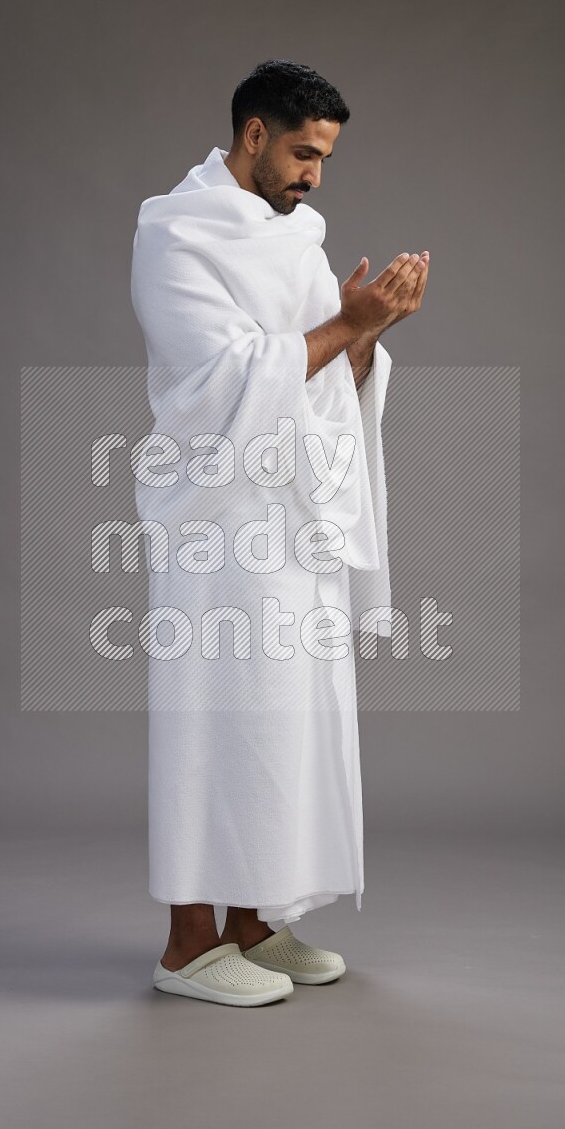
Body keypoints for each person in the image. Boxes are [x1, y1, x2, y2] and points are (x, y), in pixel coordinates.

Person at [130, 59, 429, 1006]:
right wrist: (347, 324)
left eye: (326, 158)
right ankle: (187, 945)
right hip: (217, 524)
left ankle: (254, 925)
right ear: (253, 135)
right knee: (214, 720)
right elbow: (224, 384)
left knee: (284, 722)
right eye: (303, 153)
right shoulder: (175, 236)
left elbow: (322, 378)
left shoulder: (295, 238)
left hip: (298, 522)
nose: (314, 176)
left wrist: (368, 333)